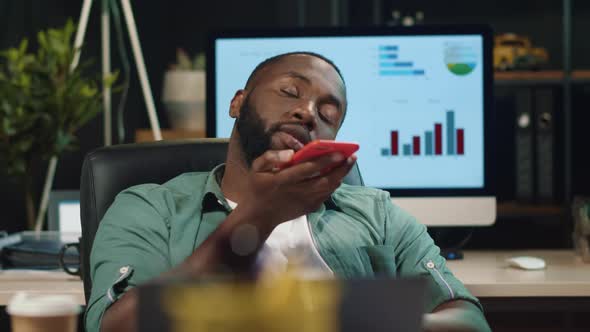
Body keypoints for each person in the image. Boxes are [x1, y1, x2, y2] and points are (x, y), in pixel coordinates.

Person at [86, 51, 491, 332]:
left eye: (328, 114)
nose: (307, 113)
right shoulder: (150, 207)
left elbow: (469, 319)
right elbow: (114, 326)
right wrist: (256, 217)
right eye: (290, 93)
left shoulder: (377, 214)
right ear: (238, 102)